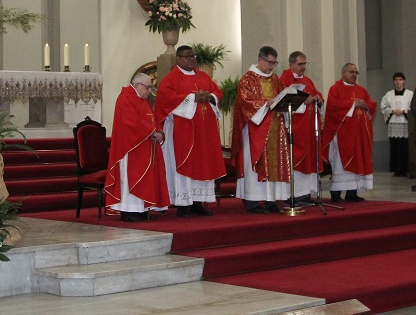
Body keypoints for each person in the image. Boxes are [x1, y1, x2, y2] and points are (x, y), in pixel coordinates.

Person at [154, 45, 226, 217]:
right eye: (187, 57)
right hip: (182, 131)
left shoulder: (203, 76)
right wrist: (193, 97)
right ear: (178, 58)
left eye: (193, 56)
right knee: (184, 164)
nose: (192, 59)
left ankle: (197, 203)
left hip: (203, 132)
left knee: (202, 164)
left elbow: (217, 92)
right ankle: (183, 204)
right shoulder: (170, 79)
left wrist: (210, 97)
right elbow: (166, 100)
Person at [231, 46, 289, 213]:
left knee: (274, 164)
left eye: (274, 63)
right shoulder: (247, 79)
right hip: (255, 130)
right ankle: (252, 202)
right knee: (254, 165)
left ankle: (271, 201)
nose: (272, 66)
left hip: (275, 129)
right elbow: (244, 102)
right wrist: (266, 103)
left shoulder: (276, 79)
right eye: (270, 62)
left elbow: (282, 97)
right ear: (261, 60)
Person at [106, 73, 170, 222]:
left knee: (146, 178)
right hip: (130, 147)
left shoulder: (143, 100)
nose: (149, 91)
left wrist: (159, 132)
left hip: (145, 145)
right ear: (137, 85)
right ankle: (129, 211)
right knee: (132, 178)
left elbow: (151, 119)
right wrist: (152, 132)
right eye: (147, 88)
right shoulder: (125, 98)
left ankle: (141, 210)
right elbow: (131, 122)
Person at [323, 63, 377, 202]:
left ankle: (352, 193)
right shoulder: (335, 89)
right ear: (343, 73)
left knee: (358, 161)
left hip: (359, 136)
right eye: (351, 72)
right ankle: (336, 194)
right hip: (343, 135)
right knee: (341, 164)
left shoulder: (361, 90)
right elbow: (332, 107)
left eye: (356, 72)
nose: (354, 75)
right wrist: (352, 104)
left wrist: (366, 106)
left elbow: (371, 104)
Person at [279, 51, 324, 201]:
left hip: (309, 128)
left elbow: (317, 95)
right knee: (296, 160)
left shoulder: (308, 81)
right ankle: (293, 194)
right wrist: (303, 102)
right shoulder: (284, 80)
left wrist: (318, 99)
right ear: (291, 64)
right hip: (295, 128)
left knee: (309, 160)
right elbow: (283, 102)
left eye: (305, 64)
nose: (303, 67)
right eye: (300, 64)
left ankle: (305, 193)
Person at [380, 72, 413, 178]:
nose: (398, 82)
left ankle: (406, 169)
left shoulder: (410, 94)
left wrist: (403, 111)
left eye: (400, 79)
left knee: (405, 147)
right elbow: (383, 107)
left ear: (404, 81)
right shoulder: (389, 94)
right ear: (393, 82)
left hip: (405, 123)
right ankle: (396, 170)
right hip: (394, 123)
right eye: (396, 80)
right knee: (395, 147)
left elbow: (414, 107)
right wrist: (392, 110)